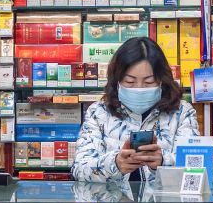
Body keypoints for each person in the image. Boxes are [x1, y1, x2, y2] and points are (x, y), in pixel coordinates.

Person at [72, 37, 200, 183]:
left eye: (149, 82)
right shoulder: (98, 113)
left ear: (162, 80)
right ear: (117, 80)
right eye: (130, 82)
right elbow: (80, 169)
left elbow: (195, 168)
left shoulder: (182, 112)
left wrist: (163, 161)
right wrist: (115, 163)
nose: (139, 88)